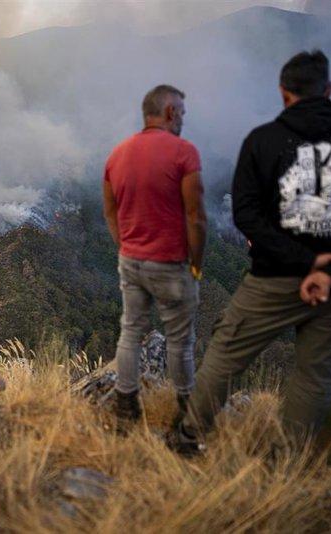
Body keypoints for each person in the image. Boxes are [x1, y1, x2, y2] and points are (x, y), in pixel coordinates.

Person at [175, 50, 331, 454]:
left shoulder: (264, 141)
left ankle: (189, 439)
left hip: (275, 278)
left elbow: (246, 214)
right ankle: (288, 462)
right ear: (329, 89)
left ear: (283, 93)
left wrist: (305, 261)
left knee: (226, 352)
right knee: (316, 372)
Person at [103, 84, 207, 424]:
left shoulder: (117, 154)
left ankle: (125, 406)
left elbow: (110, 211)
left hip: (131, 261)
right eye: (182, 113)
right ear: (169, 112)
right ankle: (186, 409)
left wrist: (124, 247)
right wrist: (196, 264)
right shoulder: (184, 152)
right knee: (180, 341)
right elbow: (195, 215)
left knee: (130, 331)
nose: (183, 119)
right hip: (171, 264)